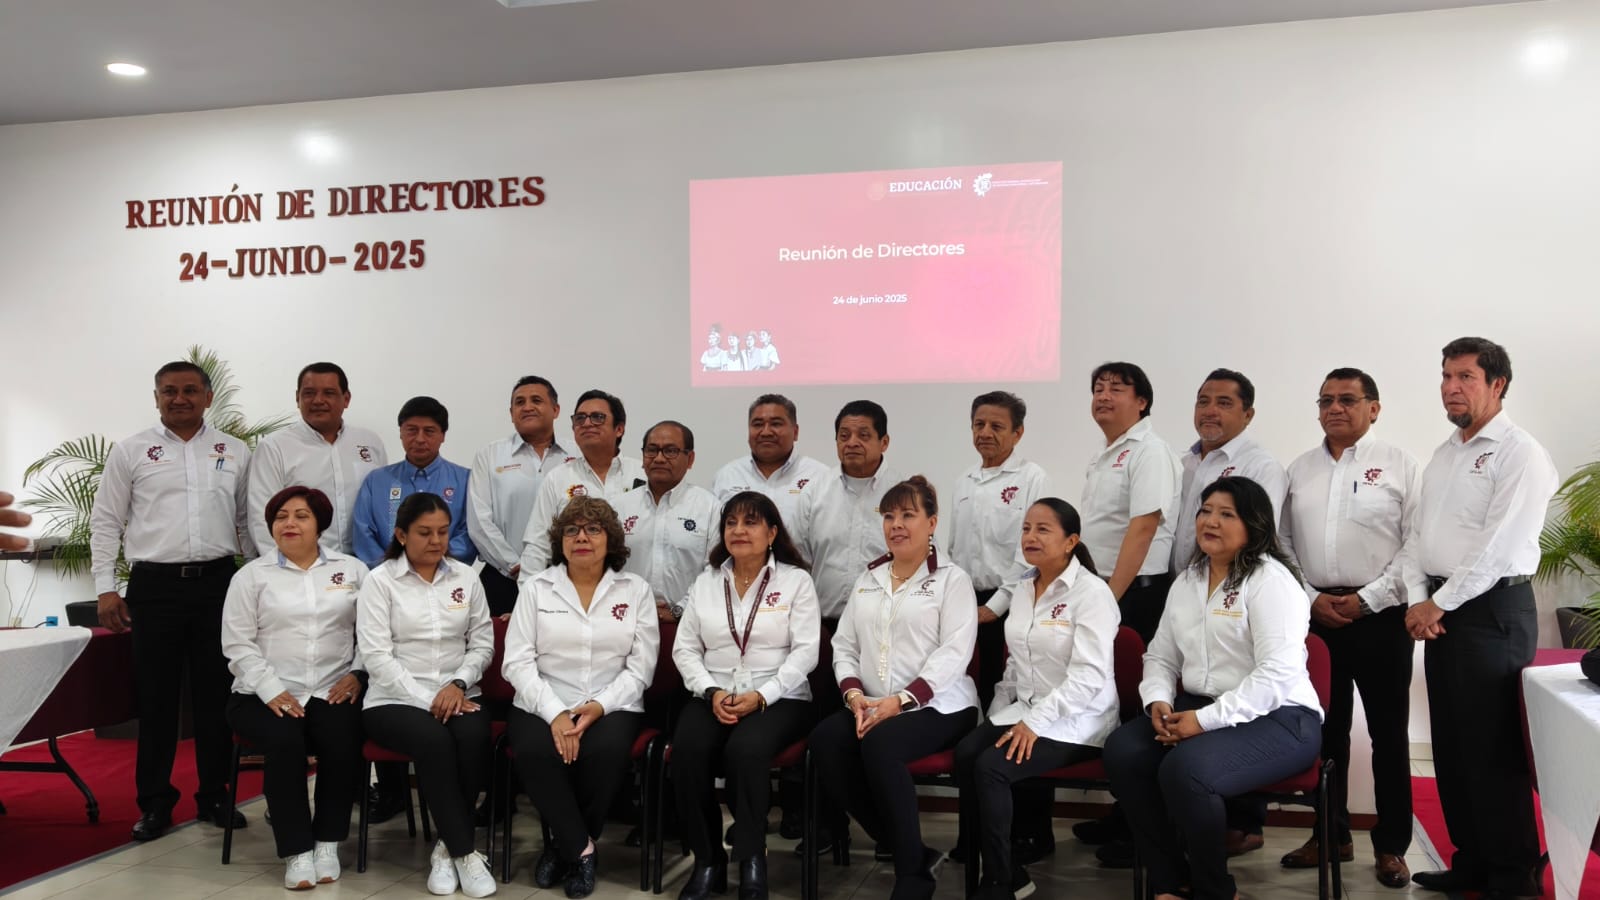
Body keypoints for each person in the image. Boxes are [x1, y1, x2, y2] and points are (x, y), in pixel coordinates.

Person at [1103, 476, 1322, 900]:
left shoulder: (1271, 581)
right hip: (1200, 706)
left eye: (1226, 514)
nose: (1211, 521)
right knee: (1124, 752)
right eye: (1205, 511)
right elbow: (1160, 655)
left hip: (1281, 717)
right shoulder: (1188, 580)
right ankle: (1170, 880)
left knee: (1186, 770)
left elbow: (1276, 675)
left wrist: (1203, 722)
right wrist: (1158, 700)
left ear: (1254, 524)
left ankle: (1215, 890)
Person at [1405, 337, 1558, 900]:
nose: (1451, 387)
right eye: (1446, 376)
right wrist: (1421, 597)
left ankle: (1513, 877)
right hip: (1443, 610)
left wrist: (1438, 604)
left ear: (1498, 384)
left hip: (1492, 611)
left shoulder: (1521, 453)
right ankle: (1470, 862)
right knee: (1451, 745)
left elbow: (1500, 546)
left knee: (1492, 750)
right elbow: (1419, 536)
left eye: (1465, 377)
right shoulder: (1445, 453)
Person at [89, 360, 253, 841]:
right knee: (157, 699)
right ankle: (156, 802)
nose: (179, 398)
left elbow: (247, 521)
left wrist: (262, 580)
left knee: (216, 696)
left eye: (189, 390)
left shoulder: (235, 450)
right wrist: (105, 587)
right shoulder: (132, 451)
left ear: (207, 397)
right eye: (169, 391)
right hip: (154, 587)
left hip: (218, 584)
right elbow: (106, 520)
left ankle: (215, 795)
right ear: (156, 397)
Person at [1276, 368, 1420, 889]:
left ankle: (1392, 846)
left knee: (1388, 734)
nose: (1334, 408)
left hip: (1381, 618)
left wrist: (1368, 599)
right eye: (1325, 400)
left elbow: (1416, 543)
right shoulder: (1299, 470)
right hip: (1317, 619)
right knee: (1325, 732)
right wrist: (1311, 598)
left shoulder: (1400, 464)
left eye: (1347, 399)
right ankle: (1330, 835)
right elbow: (1281, 542)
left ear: (1373, 408)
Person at [810, 476, 980, 900]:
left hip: (941, 705)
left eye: (908, 515)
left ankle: (912, 877)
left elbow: (954, 653)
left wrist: (901, 701)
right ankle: (912, 850)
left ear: (932, 523)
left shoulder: (953, 580)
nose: (896, 524)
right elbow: (844, 645)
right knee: (826, 740)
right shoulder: (869, 578)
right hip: (871, 704)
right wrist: (853, 696)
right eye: (889, 516)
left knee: (881, 746)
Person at [955, 498, 1120, 900]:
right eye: (1026, 528)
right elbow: (1016, 665)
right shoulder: (1024, 588)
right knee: (967, 753)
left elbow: (1089, 677)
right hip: (1026, 709)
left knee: (992, 768)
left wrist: (1033, 723)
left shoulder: (1092, 594)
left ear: (1071, 541)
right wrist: (997, 718)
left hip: (1080, 719)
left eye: (1043, 529)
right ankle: (1000, 866)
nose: (1030, 536)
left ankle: (998, 882)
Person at [503, 496, 660, 899]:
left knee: (604, 753)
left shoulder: (636, 590)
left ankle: (562, 846)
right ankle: (582, 849)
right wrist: (555, 713)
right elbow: (516, 662)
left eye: (593, 529)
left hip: (612, 702)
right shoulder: (536, 589)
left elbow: (641, 668)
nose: (582, 538)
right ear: (560, 541)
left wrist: (600, 706)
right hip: (542, 700)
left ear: (611, 539)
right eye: (571, 530)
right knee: (535, 751)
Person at [671, 491, 821, 900]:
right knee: (687, 751)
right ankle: (708, 861)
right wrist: (710, 690)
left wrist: (763, 695)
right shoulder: (706, 582)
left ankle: (752, 858)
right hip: (714, 692)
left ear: (772, 533)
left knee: (746, 751)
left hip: (781, 696)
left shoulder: (795, 582)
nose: (739, 530)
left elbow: (806, 652)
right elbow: (685, 649)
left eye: (751, 522)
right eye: (731, 522)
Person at [1163, 368, 1286, 861]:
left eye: (1224, 402)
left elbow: (1255, 532)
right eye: (1203, 400)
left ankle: (1241, 824)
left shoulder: (1259, 464)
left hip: (1239, 586)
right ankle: (1177, 832)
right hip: (1190, 586)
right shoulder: (1185, 462)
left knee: (1238, 686)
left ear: (1248, 414)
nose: (1209, 410)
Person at [222, 486, 368, 889]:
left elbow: (372, 634)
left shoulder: (353, 571)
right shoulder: (251, 576)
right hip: (259, 694)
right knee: (284, 741)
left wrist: (357, 674)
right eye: (281, 516)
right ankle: (297, 850)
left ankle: (327, 843)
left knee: (342, 737)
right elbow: (237, 643)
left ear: (320, 524)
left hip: (332, 688)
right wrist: (271, 689)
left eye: (301, 516)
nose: (289, 523)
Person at [357, 493, 496, 898]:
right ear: (401, 535)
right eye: (424, 532)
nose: (436, 541)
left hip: (459, 693)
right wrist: (429, 699)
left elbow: (482, 643)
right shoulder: (380, 581)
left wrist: (458, 684)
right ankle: (465, 852)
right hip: (393, 699)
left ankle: (444, 849)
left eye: (443, 532)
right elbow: (377, 657)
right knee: (434, 740)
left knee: (473, 735)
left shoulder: (466, 577)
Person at [1071, 363, 1181, 863]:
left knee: (1141, 712)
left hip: (1136, 594)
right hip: (1108, 592)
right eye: (1098, 388)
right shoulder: (1104, 454)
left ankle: (1147, 836)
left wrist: (1109, 597)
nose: (1103, 395)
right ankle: (1125, 816)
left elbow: (1144, 525)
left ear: (1142, 402)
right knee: (1113, 704)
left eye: (1116, 388)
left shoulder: (1148, 450)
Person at [949, 392, 1050, 719]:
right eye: (979, 425)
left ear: (1017, 433)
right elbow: (955, 548)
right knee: (965, 683)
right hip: (966, 603)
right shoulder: (964, 481)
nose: (985, 433)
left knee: (1001, 686)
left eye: (996, 426)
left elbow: (1032, 551)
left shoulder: (1032, 478)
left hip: (1013, 602)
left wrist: (995, 607)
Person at [249, 362, 387, 556]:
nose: (318, 400)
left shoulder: (370, 442)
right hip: (304, 564)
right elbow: (261, 516)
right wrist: (284, 566)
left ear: (346, 399)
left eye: (329, 393)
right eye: (309, 393)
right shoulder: (274, 447)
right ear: (297, 398)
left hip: (366, 563)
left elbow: (382, 506)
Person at [790, 400, 903, 630]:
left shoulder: (903, 493)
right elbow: (796, 560)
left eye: (863, 435)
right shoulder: (815, 492)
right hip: (823, 625)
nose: (852, 442)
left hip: (886, 626)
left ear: (884, 442)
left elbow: (922, 559)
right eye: (844, 436)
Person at [467, 376, 572, 616]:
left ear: (556, 410)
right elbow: (479, 521)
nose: (527, 407)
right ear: (511, 413)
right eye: (519, 402)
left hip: (568, 577)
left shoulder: (577, 454)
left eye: (536, 400)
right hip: (505, 577)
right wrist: (514, 564)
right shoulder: (490, 455)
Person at [517, 389, 645, 579]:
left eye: (597, 417)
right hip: (573, 592)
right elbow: (537, 546)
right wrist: (527, 593)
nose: (587, 423)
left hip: (634, 590)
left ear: (619, 429)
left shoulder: (643, 474)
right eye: (580, 418)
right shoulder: (558, 478)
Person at [613, 421, 717, 621]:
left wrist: (679, 610)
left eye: (670, 451)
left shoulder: (710, 508)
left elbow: (714, 571)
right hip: (626, 620)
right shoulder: (619, 507)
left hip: (688, 624)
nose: (659, 458)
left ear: (690, 459)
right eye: (652, 450)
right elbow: (606, 567)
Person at [353, 396, 475, 567]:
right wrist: (393, 571)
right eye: (412, 430)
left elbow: (469, 533)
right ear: (401, 433)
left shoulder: (466, 480)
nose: (419, 439)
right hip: (387, 578)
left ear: (443, 435)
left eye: (429, 431)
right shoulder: (376, 481)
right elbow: (363, 534)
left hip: (447, 577)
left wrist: (432, 566)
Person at [710, 395, 831, 527]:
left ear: (795, 432)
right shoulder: (727, 475)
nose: (766, 432)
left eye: (776, 424)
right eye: (758, 425)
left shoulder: (820, 477)